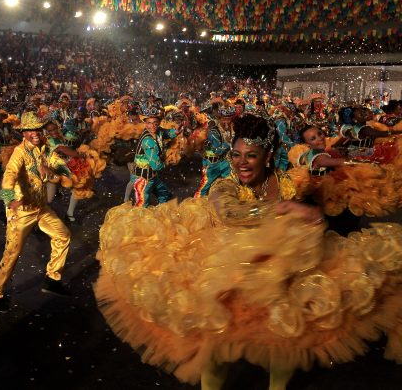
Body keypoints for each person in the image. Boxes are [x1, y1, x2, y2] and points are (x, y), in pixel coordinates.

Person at [95, 113, 402, 390]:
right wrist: (281, 209)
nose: (241, 162)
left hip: (277, 276)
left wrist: (329, 194)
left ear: (267, 156)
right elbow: (229, 211)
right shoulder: (224, 184)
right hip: (227, 276)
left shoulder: (286, 182)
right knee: (216, 356)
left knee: (285, 345)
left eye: (250, 155)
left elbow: (315, 183)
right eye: (237, 154)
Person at [0, 111, 71, 313]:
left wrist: (50, 172)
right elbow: (7, 181)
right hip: (22, 212)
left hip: (41, 208)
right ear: (23, 133)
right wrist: (11, 202)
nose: (36, 133)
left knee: (63, 235)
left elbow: (55, 179)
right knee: (12, 253)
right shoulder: (19, 154)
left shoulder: (42, 149)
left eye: (38, 129)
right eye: (31, 130)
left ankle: (52, 278)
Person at [130, 103, 179, 206]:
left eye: (155, 123)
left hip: (151, 176)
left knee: (164, 194)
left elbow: (168, 133)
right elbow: (156, 165)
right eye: (149, 123)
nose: (152, 126)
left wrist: (177, 131)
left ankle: (161, 213)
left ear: (159, 122)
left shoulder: (159, 131)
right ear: (145, 123)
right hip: (142, 178)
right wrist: (166, 163)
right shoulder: (148, 141)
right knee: (141, 208)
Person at [194, 99, 233, 197]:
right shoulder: (214, 132)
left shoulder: (231, 129)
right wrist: (230, 143)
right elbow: (217, 150)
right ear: (220, 119)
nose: (227, 122)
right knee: (205, 187)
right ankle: (196, 204)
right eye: (224, 119)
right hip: (212, 163)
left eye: (229, 119)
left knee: (231, 183)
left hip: (224, 162)